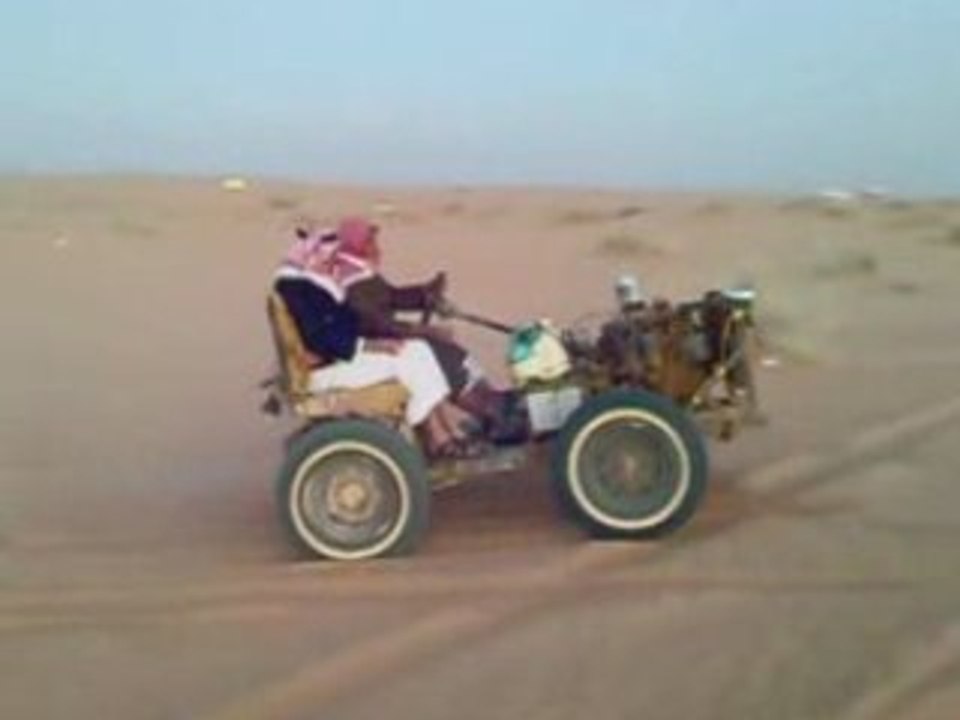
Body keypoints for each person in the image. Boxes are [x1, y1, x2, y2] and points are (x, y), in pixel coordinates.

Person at [271, 224, 470, 456]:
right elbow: (321, 337)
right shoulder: (299, 289)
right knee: (410, 356)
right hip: (325, 371)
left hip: (336, 360)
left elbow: (345, 323)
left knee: (414, 351)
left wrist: (377, 339)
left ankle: (440, 434)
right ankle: (440, 438)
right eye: (329, 257)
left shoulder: (307, 284)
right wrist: (370, 345)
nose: (332, 262)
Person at [329, 217, 527, 444]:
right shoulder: (352, 281)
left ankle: (490, 405)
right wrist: (424, 331)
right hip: (372, 348)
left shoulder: (357, 272)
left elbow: (390, 297)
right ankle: (491, 411)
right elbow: (374, 323)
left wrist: (425, 294)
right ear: (359, 245)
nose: (377, 247)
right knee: (439, 353)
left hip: (379, 341)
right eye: (371, 241)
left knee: (444, 350)